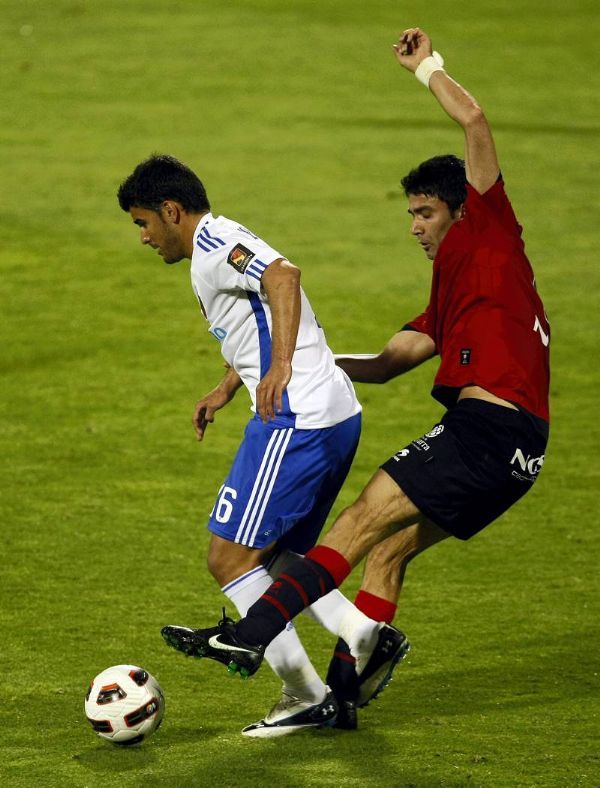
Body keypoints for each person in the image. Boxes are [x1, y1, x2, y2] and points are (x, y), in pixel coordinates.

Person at [161, 26, 551, 704]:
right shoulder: (457, 296)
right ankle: (340, 698)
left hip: (486, 431)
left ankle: (252, 631)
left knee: (361, 517)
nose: (415, 227)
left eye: (426, 213)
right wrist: (276, 369)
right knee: (388, 550)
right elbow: (389, 360)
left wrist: (425, 65)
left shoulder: (489, 229)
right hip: (521, 455)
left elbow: (475, 119)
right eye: (412, 214)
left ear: (462, 210)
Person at [117, 155, 409, 736]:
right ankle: (360, 633)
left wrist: (275, 372)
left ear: (171, 211)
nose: (145, 237)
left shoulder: (214, 241)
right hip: (329, 412)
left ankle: (304, 692)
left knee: (228, 559)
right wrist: (230, 384)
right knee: (278, 557)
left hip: (294, 418)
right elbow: (256, 318)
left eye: (143, 222)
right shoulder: (215, 245)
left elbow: (283, 277)